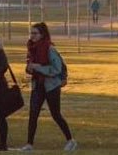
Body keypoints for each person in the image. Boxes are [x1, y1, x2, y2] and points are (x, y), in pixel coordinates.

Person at [23, 22, 77, 151]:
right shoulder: (31, 48)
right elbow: (30, 66)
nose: (32, 36)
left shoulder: (50, 49)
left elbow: (57, 69)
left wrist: (39, 68)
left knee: (55, 114)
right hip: (37, 85)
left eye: (35, 33)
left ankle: (70, 140)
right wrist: (30, 68)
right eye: (31, 33)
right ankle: (29, 144)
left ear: (42, 34)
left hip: (51, 86)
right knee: (33, 114)